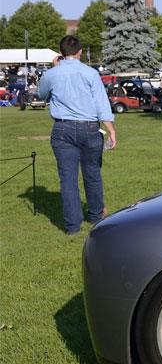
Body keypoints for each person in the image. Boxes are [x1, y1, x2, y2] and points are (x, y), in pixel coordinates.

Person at [37, 35, 117, 234]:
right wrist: (111, 130)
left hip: (62, 128)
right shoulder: (90, 73)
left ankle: (72, 226)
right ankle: (96, 215)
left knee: (68, 178)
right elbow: (101, 104)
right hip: (89, 127)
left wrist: (54, 67)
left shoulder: (52, 74)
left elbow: (42, 95)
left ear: (61, 53)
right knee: (92, 173)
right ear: (80, 51)